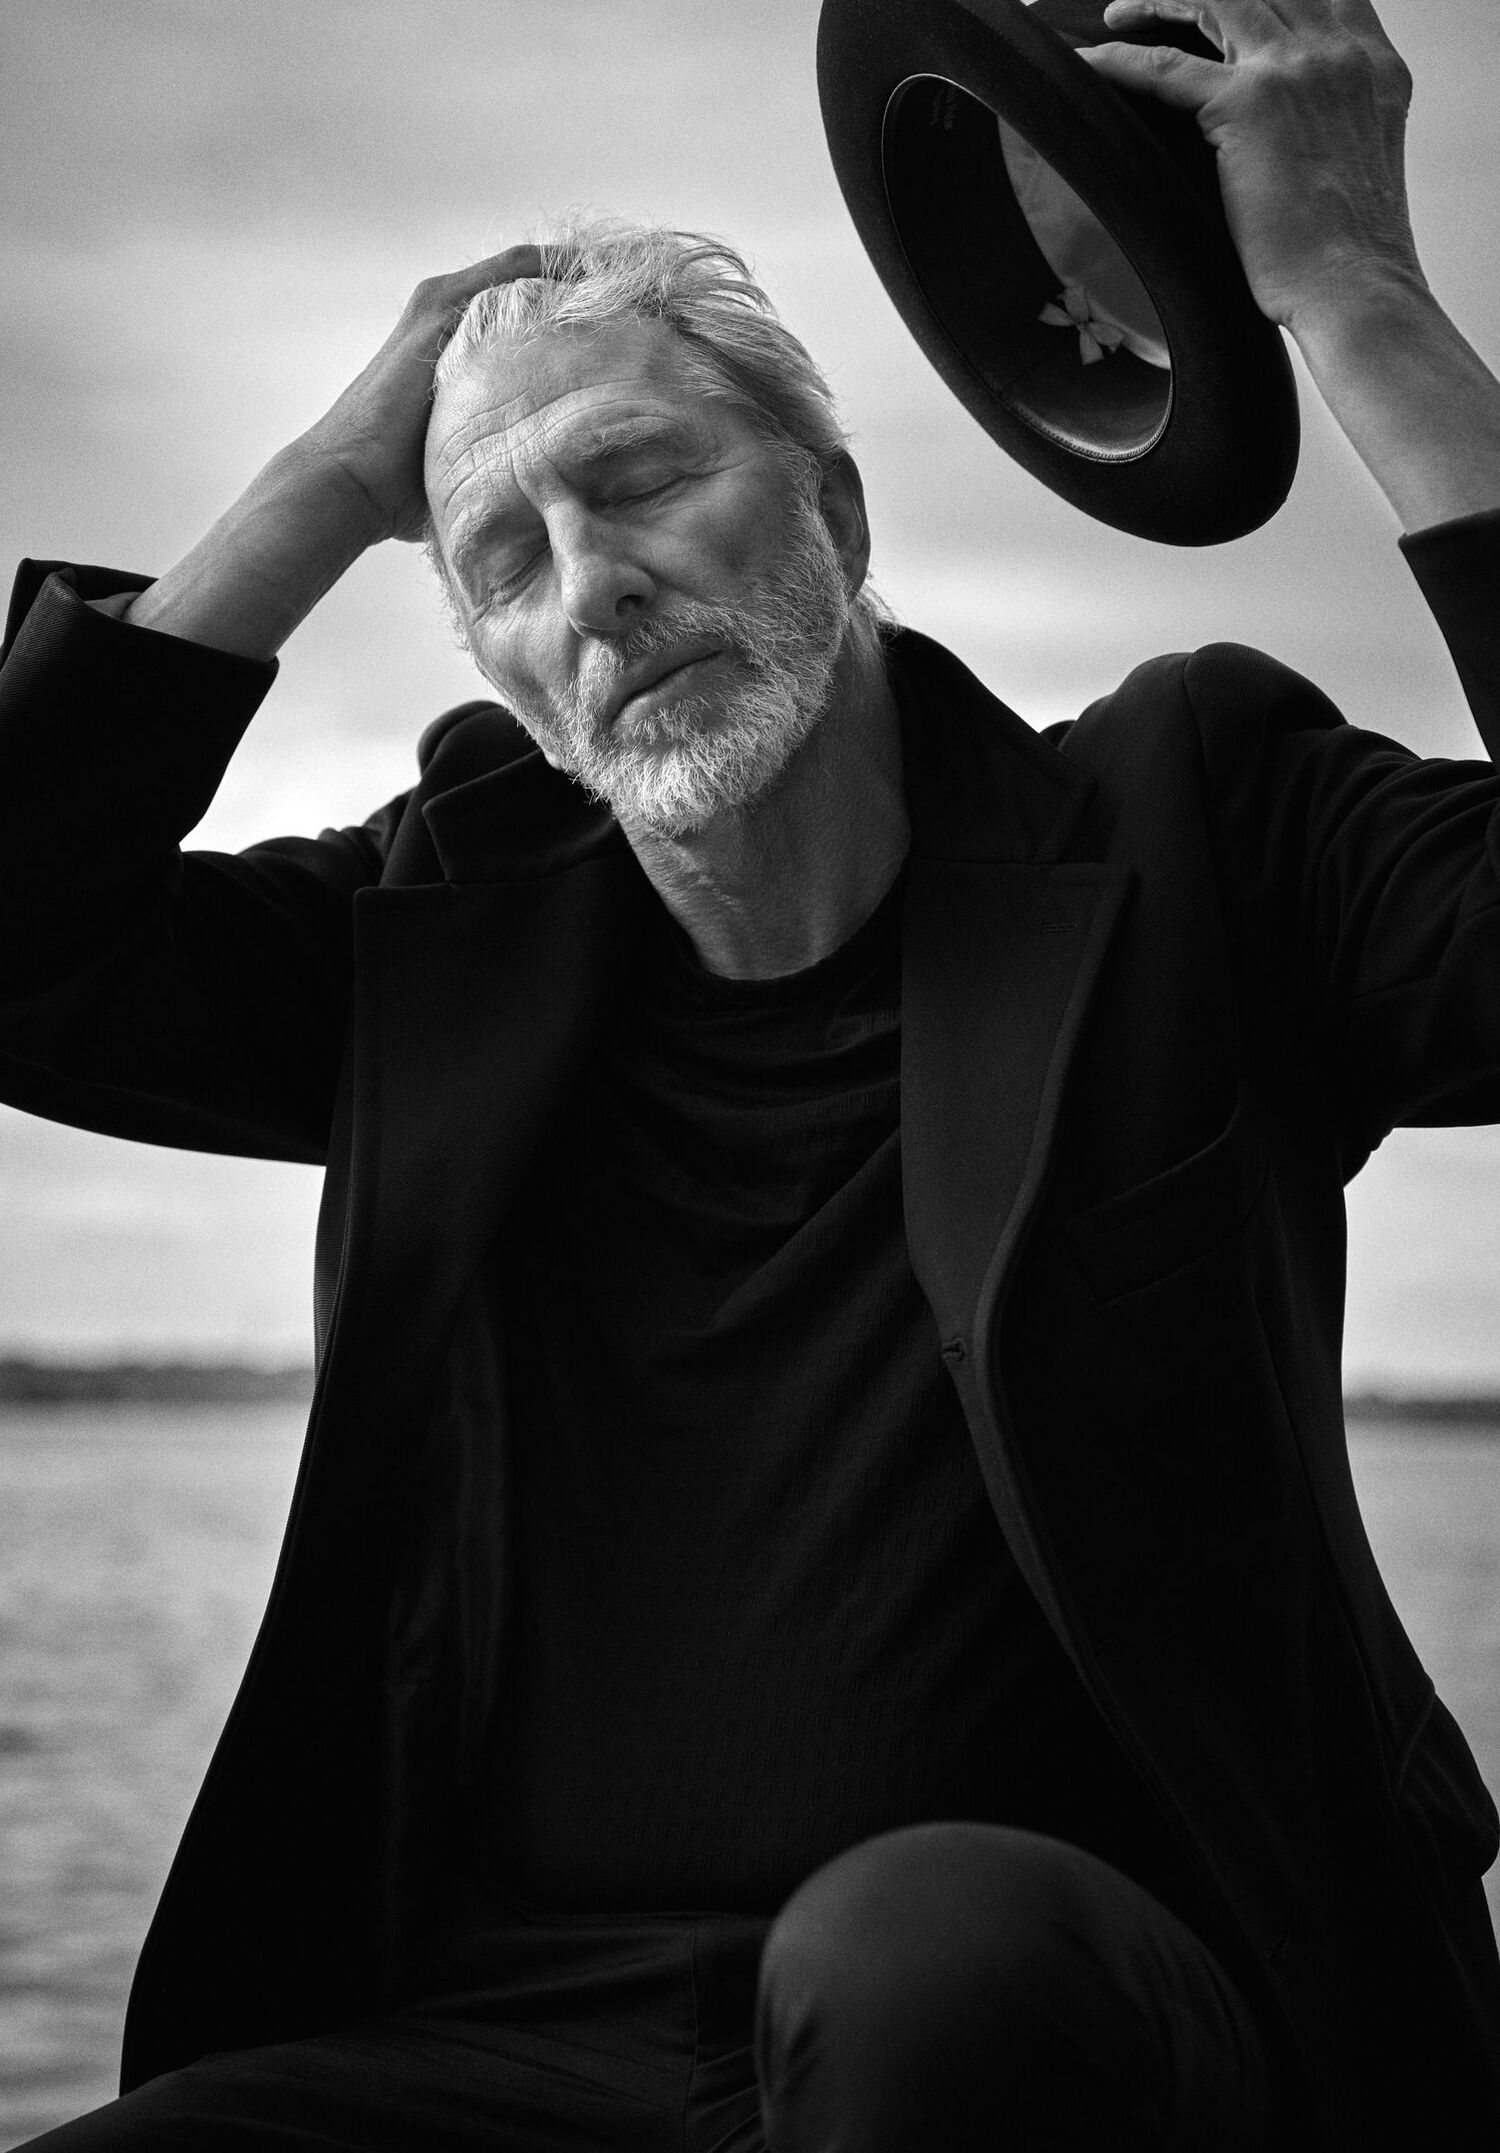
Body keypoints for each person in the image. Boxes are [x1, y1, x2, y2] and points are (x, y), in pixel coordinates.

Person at [3, 0, 1500, 2145]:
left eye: (643, 480)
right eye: (505, 560)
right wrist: (328, 486)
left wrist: (1352, 292)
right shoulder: (438, 928)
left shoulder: (1204, 821)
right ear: (501, 670)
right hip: (528, 2026)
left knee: (917, 1957)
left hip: (1095, 2005)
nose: (593, 587)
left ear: (840, 512)